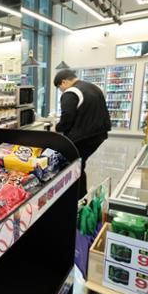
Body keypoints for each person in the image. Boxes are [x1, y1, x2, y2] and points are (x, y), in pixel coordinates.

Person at [54, 69, 111, 198]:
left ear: (64, 82)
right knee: (79, 164)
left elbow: (67, 119)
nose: (61, 91)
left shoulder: (71, 92)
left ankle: (77, 197)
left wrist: (56, 128)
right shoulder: (93, 87)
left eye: (59, 87)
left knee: (74, 166)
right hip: (98, 134)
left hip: (83, 138)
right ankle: (80, 195)